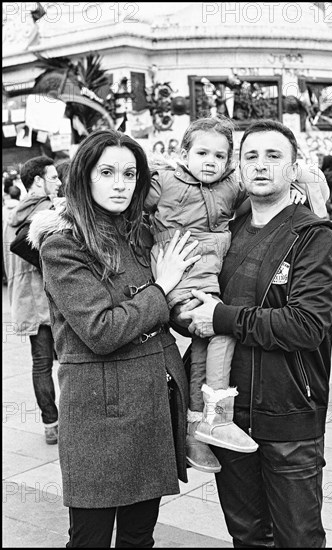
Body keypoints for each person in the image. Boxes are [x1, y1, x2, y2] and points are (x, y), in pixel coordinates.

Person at [28, 129, 200, 548]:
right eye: (107, 172)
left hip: (152, 404)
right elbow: (101, 330)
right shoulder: (62, 244)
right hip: (99, 414)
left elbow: (159, 314)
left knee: (140, 537)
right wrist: (161, 289)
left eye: (129, 173)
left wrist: (197, 313)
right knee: (90, 539)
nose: (120, 184)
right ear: (84, 177)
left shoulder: (139, 233)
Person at [178, 119, 332, 548]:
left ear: (293, 169)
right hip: (228, 416)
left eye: (274, 156)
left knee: (298, 538)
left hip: (289, 414)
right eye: (250, 156)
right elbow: (201, 307)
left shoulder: (313, 236)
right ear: (239, 168)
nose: (261, 165)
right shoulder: (224, 232)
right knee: (247, 535)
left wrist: (222, 318)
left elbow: (306, 325)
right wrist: (187, 313)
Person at [145, 115, 330, 475]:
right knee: (219, 332)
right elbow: (130, 197)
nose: (209, 162)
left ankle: (196, 427)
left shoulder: (306, 232)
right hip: (183, 278)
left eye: (219, 156)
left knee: (206, 342)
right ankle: (212, 418)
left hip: (286, 411)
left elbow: (307, 325)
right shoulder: (168, 183)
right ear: (183, 154)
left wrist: (302, 187)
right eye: (201, 153)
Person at [3, 156, 61, 445]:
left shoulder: (10, 217)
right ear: (38, 181)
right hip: (51, 299)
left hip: (24, 300)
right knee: (70, 361)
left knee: (40, 364)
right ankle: (74, 420)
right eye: (53, 178)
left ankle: (51, 424)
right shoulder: (49, 212)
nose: (59, 183)